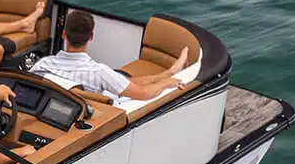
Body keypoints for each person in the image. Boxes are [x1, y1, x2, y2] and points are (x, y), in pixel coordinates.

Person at [33, 9, 189, 102]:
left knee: (122, 80)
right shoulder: (98, 72)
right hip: (98, 103)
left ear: (64, 34)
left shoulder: (43, 64)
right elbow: (143, 94)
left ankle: (169, 72)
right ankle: (169, 74)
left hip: (67, 102)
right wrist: (166, 84)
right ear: (91, 37)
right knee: (118, 79)